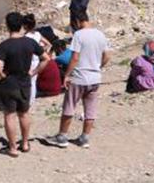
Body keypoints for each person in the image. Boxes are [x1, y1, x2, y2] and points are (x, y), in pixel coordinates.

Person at [47, 11, 110, 149]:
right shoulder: (100, 34)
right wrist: (98, 66)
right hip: (95, 77)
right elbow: (106, 56)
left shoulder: (79, 35)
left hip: (79, 77)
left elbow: (75, 57)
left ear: (77, 21)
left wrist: (67, 75)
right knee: (90, 109)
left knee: (69, 106)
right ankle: (84, 137)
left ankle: (62, 136)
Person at [0, 12, 44, 157]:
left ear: (7, 26)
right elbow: (45, 58)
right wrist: (33, 72)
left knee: (10, 115)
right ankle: (25, 143)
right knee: (24, 113)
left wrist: (3, 76)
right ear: (21, 25)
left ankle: (13, 147)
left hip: (9, 83)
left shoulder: (5, 45)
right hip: (24, 81)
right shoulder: (30, 42)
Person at [23, 13, 44, 105]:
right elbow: (48, 44)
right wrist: (43, 51)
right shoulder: (37, 34)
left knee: (27, 81)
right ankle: (31, 100)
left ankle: (28, 100)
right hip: (37, 60)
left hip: (28, 61)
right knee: (33, 81)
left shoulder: (26, 37)